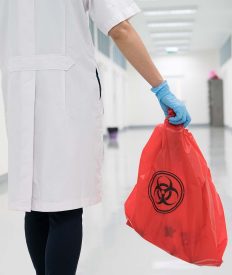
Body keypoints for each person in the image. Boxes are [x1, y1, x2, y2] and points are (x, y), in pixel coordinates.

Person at [0, 0, 191, 274]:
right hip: (67, 96)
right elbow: (120, 29)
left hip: (17, 91)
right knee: (65, 208)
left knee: (36, 205)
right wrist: (160, 87)